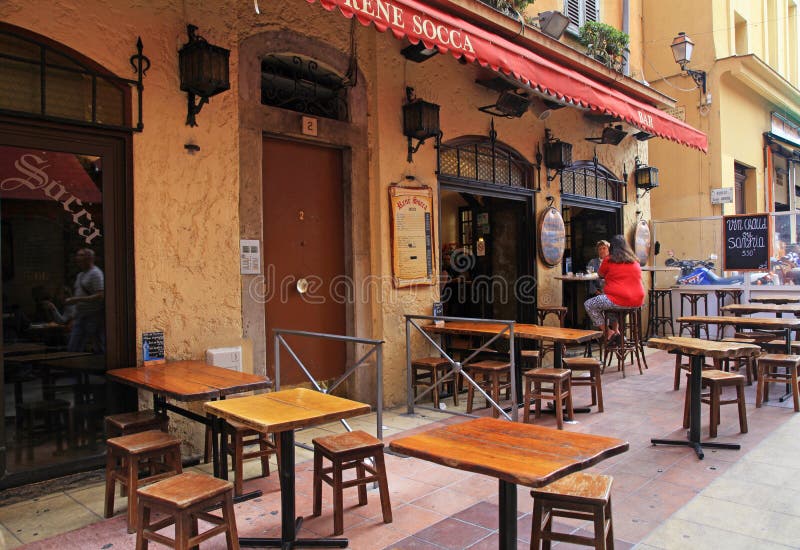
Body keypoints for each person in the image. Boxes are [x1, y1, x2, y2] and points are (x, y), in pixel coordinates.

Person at [583, 235, 645, 343]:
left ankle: (608, 332)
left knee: (589, 304)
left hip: (618, 299)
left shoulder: (609, 259)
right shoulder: (634, 261)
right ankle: (617, 333)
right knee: (611, 308)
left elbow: (600, 274)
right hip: (637, 301)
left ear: (611, 248)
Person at [65, 248, 105, 353]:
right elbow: (78, 293)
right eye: (77, 255)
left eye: (81, 255)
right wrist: (73, 316)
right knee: (74, 347)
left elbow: (100, 295)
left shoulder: (96, 274)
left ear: (89, 258)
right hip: (81, 316)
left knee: (99, 346)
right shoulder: (80, 275)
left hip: (94, 316)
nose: (77, 258)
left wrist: (76, 299)